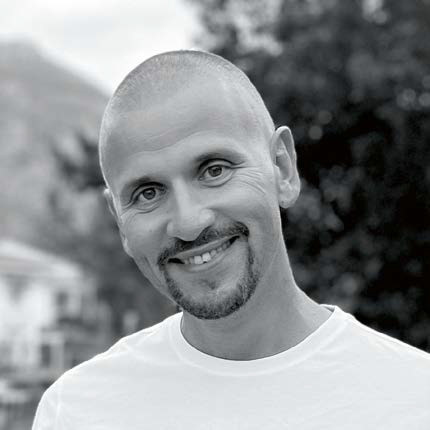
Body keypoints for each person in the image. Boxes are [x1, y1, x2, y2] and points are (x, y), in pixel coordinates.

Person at [32, 50, 430, 429]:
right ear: (120, 221)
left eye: (214, 170)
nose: (189, 223)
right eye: (148, 193)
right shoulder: (78, 413)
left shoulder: (413, 400)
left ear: (283, 169)